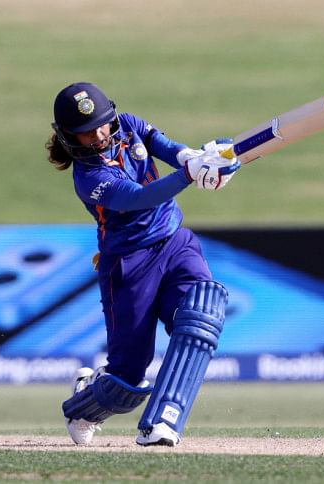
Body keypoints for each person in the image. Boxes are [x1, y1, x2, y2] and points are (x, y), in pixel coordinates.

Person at [47, 82, 240, 447]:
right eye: (87, 132)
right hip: (128, 265)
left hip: (174, 242)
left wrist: (200, 158)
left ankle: (163, 421)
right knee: (127, 378)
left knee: (202, 313)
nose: (99, 135)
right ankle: (83, 406)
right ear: (69, 137)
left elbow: (166, 146)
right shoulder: (89, 178)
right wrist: (190, 174)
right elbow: (140, 198)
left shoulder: (128, 125)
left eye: (102, 124)